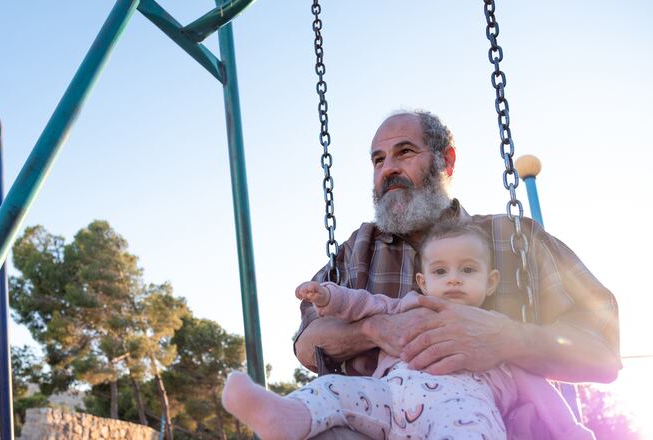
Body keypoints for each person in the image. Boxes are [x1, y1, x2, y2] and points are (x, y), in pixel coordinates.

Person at [291, 110, 620, 438]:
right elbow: (308, 345)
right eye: (378, 160)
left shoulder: (514, 239)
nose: (388, 168)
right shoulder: (358, 249)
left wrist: (508, 338)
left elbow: (603, 353)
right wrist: (375, 329)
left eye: (404, 152)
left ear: (445, 161)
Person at [222, 220, 593, 439]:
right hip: (387, 400)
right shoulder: (408, 305)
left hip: (462, 415)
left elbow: (543, 396)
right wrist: (327, 296)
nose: (453, 281)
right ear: (422, 280)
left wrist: (573, 432)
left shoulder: (494, 334)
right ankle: (284, 416)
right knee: (331, 389)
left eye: (467, 271)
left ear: (491, 281)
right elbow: (361, 304)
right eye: (441, 272)